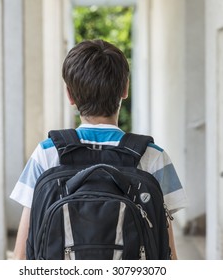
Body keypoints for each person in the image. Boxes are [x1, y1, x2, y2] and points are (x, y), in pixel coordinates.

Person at [10, 39, 188, 260]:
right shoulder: (153, 157)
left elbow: (21, 256)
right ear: (125, 89)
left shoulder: (47, 153)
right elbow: (167, 251)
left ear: (70, 95)